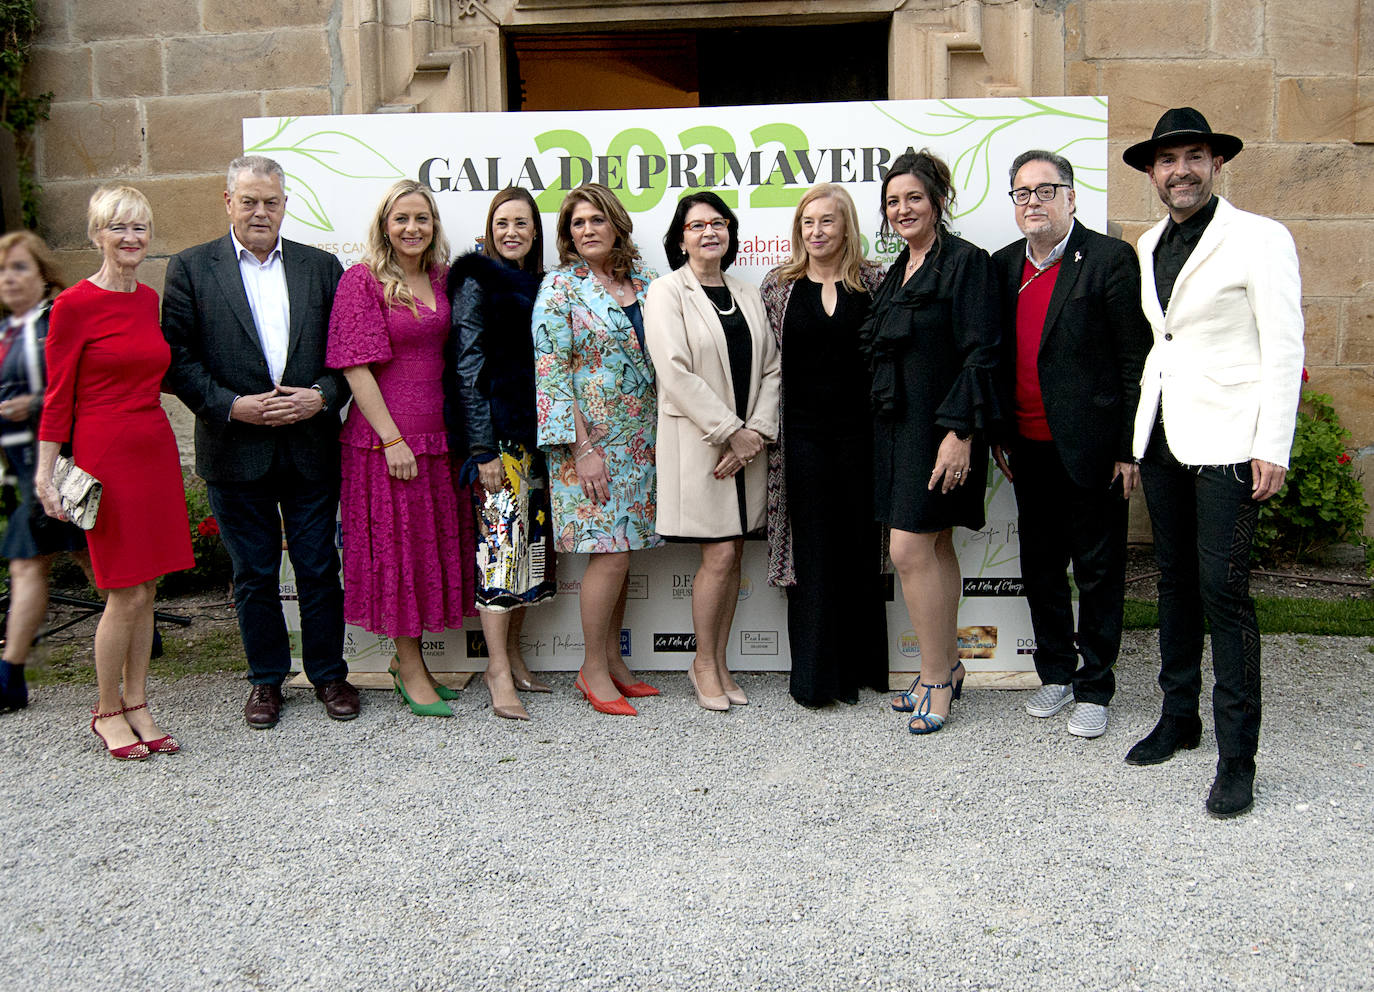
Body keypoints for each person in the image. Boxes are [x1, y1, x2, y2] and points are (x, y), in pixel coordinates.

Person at [1121, 108, 1304, 818]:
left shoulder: (1259, 237)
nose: (1181, 171)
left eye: (1193, 157)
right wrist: (1137, 438)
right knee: (1172, 583)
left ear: (1216, 164)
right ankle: (1179, 717)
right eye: (1167, 161)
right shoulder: (1146, 243)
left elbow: (1284, 346)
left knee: (1223, 593)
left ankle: (1238, 757)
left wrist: (1273, 445)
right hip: (1165, 437)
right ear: (1151, 173)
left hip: (1232, 440)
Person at [163, 155, 357, 730]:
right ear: (228, 202)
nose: (259, 211)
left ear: (284, 205)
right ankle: (266, 682)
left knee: (320, 567)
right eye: (248, 200)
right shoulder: (191, 268)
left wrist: (321, 397)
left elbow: (350, 355)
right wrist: (231, 406)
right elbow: (177, 359)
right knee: (253, 574)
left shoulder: (321, 267)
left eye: (270, 201)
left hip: (311, 445)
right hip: (234, 449)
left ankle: (328, 674)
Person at [990, 151, 1152, 739]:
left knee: (1099, 569)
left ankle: (1096, 686)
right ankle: (1055, 673)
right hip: (1027, 448)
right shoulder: (1004, 266)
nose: (1032, 201)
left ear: (1071, 197)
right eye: (1021, 192)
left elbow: (1134, 359)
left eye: (1045, 189)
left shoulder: (1108, 259)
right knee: (1040, 566)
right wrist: (998, 432)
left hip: (1092, 449)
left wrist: (1129, 448)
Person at [34, 186, 194, 759]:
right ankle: (106, 711)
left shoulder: (147, 300)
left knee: (148, 587)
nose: (131, 238)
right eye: (118, 228)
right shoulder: (73, 305)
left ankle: (139, 702)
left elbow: (161, 371)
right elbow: (57, 398)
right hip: (106, 453)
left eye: (140, 228)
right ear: (97, 235)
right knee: (123, 590)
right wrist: (45, 474)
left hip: (152, 447)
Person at [862, 150, 1000, 736]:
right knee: (936, 547)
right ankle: (947, 666)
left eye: (913, 197)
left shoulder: (967, 263)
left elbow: (982, 351)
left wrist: (961, 433)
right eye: (893, 201)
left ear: (939, 200)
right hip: (897, 430)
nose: (902, 209)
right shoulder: (900, 268)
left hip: (940, 430)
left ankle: (936, 678)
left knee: (909, 550)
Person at [327, 180, 474, 718]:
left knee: (429, 551)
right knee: (401, 557)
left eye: (423, 218)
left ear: (434, 225)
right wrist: (392, 440)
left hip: (441, 441)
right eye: (401, 218)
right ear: (384, 226)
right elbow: (354, 367)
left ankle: (413, 665)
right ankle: (408, 668)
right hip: (386, 443)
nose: (413, 228)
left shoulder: (442, 277)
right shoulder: (362, 282)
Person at [645, 192, 780, 712]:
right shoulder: (666, 293)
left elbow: (771, 368)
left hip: (748, 446)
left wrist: (756, 433)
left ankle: (720, 661)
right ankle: (702, 664)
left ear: (730, 232)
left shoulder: (747, 293)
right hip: (700, 446)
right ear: (680, 238)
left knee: (736, 552)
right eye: (696, 225)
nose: (708, 232)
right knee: (719, 554)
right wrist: (731, 431)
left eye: (717, 223)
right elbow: (674, 373)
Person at [532, 183, 661, 716]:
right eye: (577, 224)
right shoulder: (560, 288)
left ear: (616, 225)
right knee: (609, 553)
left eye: (596, 221)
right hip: (590, 445)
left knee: (623, 550)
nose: (587, 230)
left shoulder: (650, 283)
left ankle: (614, 661)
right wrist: (582, 448)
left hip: (644, 440)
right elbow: (552, 373)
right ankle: (591, 669)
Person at [759, 184, 888, 708]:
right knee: (811, 555)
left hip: (865, 439)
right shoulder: (778, 287)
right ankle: (816, 678)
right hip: (801, 442)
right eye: (807, 222)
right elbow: (767, 368)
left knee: (861, 546)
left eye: (826, 222)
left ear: (846, 226)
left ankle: (860, 669)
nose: (816, 231)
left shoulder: (877, 282)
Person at [448, 186, 557, 722]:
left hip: (534, 445)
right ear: (489, 229)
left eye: (521, 223)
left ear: (534, 232)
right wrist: (482, 449)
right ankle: (494, 668)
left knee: (526, 555)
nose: (511, 231)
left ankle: (513, 655)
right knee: (500, 556)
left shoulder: (540, 284)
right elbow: (468, 369)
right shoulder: (476, 280)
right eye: (502, 222)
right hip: (498, 444)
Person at [0, 232, 94, 713]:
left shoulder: (57, 317)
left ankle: (9, 677)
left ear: (42, 273)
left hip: (65, 463)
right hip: (25, 469)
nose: (8, 279)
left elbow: (82, 385)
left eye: (18, 268)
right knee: (81, 557)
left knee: (34, 562)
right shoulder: (7, 330)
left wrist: (31, 404)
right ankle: (140, 622)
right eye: (2, 271)